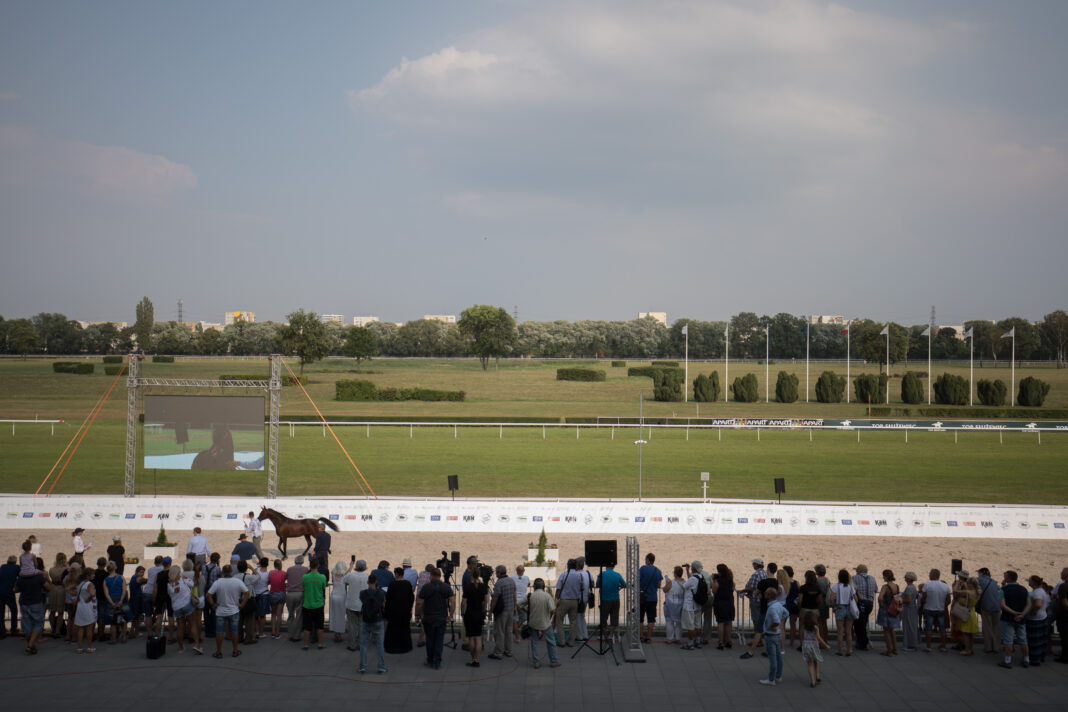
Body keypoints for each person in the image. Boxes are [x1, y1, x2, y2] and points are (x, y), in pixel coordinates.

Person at [206, 564, 249, 658]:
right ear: (231, 572)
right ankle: (235, 650)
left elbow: (208, 595)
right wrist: (242, 604)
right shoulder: (237, 582)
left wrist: (213, 604)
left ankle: (219, 651)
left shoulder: (218, 582)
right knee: (234, 631)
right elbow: (247, 593)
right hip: (234, 609)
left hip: (221, 610)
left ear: (223, 572)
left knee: (219, 632)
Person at [416, 567, 454, 670]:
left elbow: (419, 603)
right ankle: (437, 662)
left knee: (430, 639)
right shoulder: (446, 587)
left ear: (431, 576)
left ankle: (430, 660)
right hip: (442, 617)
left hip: (428, 617)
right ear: (440, 576)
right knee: (439, 640)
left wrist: (417, 615)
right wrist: (450, 615)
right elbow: (453, 601)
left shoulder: (426, 587)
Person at [523, 578, 560, 668]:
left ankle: (536, 662)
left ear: (534, 587)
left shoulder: (530, 596)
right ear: (543, 587)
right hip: (545, 622)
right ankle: (553, 661)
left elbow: (519, 604)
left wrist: (527, 611)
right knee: (551, 642)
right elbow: (553, 610)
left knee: (534, 642)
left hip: (533, 622)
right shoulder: (547, 596)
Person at [15, 558, 49, 654]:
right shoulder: (38, 576)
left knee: (27, 625)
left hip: (24, 602)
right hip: (35, 602)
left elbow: (15, 589)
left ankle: (31, 645)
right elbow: (48, 587)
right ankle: (30, 645)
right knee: (38, 623)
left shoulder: (21, 577)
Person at [998, 570, 1030, 668]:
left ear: (1008, 578)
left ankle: (1007, 660)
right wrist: (1022, 615)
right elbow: (1029, 604)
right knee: (1023, 639)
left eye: (1005, 577)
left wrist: (1014, 613)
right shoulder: (1024, 589)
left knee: (1008, 640)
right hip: (1021, 619)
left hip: (1007, 618)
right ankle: (1026, 659)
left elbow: (1003, 605)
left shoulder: (1003, 590)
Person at [740, 557, 769, 659]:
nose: (753, 565)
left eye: (753, 564)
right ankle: (759, 640)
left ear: (756, 565)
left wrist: (741, 591)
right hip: (762, 601)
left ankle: (758, 640)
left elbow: (751, 588)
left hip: (756, 601)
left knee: (756, 621)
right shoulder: (764, 573)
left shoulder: (756, 574)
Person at [554, 558, 586, 647]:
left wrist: (556, 599)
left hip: (564, 600)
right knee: (573, 621)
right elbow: (582, 588)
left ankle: (561, 641)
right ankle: (571, 642)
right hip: (575, 601)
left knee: (559, 620)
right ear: (576, 566)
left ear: (567, 566)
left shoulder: (564, 575)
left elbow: (558, 589)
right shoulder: (579, 575)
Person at [359, 573, 387, 673]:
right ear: (376, 582)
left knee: (364, 645)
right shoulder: (380, 593)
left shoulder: (362, 593)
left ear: (367, 582)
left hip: (366, 620)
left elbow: (363, 602)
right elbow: (384, 605)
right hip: (377, 620)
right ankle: (381, 666)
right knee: (380, 645)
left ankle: (362, 666)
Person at [461, 566, 489, 666]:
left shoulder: (468, 586)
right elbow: (486, 600)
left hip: (470, 613)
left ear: (471, 575)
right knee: (478, 637)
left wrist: (462, 612)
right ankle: (477, 659)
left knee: (471, 638)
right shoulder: (483, 586)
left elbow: (464, 602)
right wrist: (484, 610)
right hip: (479, 613)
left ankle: (473, 658)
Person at [488, 564, 516, 659]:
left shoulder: (499, 583)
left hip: (502, 611)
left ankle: (498, 653)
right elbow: (514, 595)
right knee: (508, 631)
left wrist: (490, 611)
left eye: (496, 572)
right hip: (510, 609)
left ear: (499, 573)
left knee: (499, 632)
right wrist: (515, 607)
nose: (496, 574)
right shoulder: (511, 581)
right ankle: (508, 651)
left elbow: (495, 599)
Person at [167, 566, 198, 654]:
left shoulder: (169, 585)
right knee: (193, 624)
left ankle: (180, 647)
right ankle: (197, 644)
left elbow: (170, 595)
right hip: (187, 604)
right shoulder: (183, 580)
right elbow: (192, 584)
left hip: (177, 607)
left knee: (180, 627)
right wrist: (186, 578)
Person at [759, 586, 786, 686]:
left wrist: (770, 628)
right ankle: (778, 676)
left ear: (769, 596)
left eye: (766, 593)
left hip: (771, 635)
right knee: (778, 657)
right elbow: (786, 613)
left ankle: (771, 679)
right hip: (777, 634)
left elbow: (776, 620)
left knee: (773, 658)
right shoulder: (778, 605)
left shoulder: (771, 608)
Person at [384, 566, 414, 654]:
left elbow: (388, 598)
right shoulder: (407, 584)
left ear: (396, 574)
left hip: (394, 611)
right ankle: (405, 647)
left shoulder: (392, 584)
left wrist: (387, 610)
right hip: (404, 610)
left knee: (393, 630)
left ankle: (392, 647)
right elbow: (411, 598)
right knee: (404, 629)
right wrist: (409, 608)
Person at [920, 568, 951, 653]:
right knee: (942, 629)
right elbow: (949, 600)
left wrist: (924, 603)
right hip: (940, 609)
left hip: (929, 609)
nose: (929, 575)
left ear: (933, 575)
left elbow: (923, 598)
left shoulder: (927, 585)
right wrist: (943, 606)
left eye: (930, 574)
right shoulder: (945, 586)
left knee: (928, 629)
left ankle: (929, 647)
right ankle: (943, 646)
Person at [830, 568, 858, 656]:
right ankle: (849, 650)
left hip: (840, 607)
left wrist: (833, 605)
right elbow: (856, 599)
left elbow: (831, 598)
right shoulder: (850, 587)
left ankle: (840, 650)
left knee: (840, 631)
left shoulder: (836, 586)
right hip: (849, 608)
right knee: (848, 631)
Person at [596, 560, 626, 643]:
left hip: (605, 599)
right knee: (614, 618)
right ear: (613, 567)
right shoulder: (617, 575)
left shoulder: (601, 574)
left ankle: (604, 635)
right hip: (615, 599)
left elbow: (597, 584)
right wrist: (618, 588)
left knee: (604, 618)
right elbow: (624, 584)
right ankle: (611, 635)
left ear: (606, 566)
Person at [950, 571, 978, 656]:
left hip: (965, 612)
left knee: (965, 633)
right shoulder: (976, 591)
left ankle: (967, 649)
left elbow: (955, 592)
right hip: (971, 612)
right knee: (970, 634)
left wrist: (956, 585)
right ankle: (970, 648)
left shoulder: (968, 591)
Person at [301, 557, 327, 650]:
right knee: (319, 626)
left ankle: (305, 644)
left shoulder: (305, 577)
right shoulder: (322, 577)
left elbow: (304, 586)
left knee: (307, 627)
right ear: (318, 566)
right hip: (318, 604)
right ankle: (320, 644)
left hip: (307, 604)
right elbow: (324, 587)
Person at [343, 559, 369, 651]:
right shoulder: (367, 576)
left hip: (352, 603)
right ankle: (361, 645)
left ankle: (352, 645)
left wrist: (350, 567)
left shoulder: (351, 575)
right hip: (363, 604)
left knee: (352, 625)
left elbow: (343, 580)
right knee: (362, 626)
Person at [638, 553, 664, 644]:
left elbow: (637, 581)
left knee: (640, 618)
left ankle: (640, 637)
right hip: (653, 598)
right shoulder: (658, 571)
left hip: (642, 598)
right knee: (651, 619)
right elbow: (659, 585)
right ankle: (648, 638)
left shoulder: (643, 569)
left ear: (648, 560)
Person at [800, 609, 829, 687]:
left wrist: (802, 644)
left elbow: (802, 637)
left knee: (809, 664)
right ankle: (817, 676)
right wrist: (825, 645)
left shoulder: (803, 627)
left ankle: (812, 681)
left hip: (806, 646)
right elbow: (819, 638)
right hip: (814, 645)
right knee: (816, 661)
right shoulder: (816, 627)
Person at [852, 563, 877, 651]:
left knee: (859, 624)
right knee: (864, 622)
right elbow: (876, 589)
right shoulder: (872, 578)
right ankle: (864, 642)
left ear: (858, 571)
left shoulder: (854, 578)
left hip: (860, 602)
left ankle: (862, 643)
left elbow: (852, 589)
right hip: (870, 603)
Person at [976, 567, 1001, 654]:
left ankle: (988, 647)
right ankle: (996, 647)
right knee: (996, 628)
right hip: (997, 607)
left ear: (981, 573)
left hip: (986, 606)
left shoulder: (979, 580)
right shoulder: (993, 581)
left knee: (987, 628)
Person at [1026, 575, 1050, 665]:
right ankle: (1040, 658)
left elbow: (1038, 604)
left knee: (1034, 640)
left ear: (1034, 582)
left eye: (1030, 580)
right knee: (1040, 640)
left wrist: (1033, 611)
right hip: (1041, 617)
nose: (1028, 581)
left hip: (1035, 619)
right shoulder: (1041, 591)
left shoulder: (1037, 592)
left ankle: (1035, 660)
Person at [103, 561, 129, 645]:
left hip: (111, 600)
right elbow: (124, 590)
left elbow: (106, 594)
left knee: (113, 622)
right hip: (121, 599)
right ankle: (124, 637)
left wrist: (112, 603)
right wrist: (121, 600)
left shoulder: (106, 580)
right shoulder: (121, 578)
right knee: (124, 619)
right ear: (115, 568)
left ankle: (113, 639)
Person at [876, 569, 901, 656]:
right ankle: (895, 649)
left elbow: (880, 598)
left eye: (884, 576)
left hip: (886, 610)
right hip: (893, 609)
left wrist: (881, 605)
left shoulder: (885, 587)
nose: (883, 577)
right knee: (892, 630)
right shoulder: (896, 586)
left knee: (886, 631)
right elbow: (898, 599)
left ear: (886, 577)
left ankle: (889, 650)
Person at [73, 568, 98, 653]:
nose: (94, 575)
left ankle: (79, 647)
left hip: (80, 606)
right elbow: (92, 593)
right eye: (93, 574)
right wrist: (89, 598)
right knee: (89, 628)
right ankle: (89, 647)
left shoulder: (80, 584)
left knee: (80, 628)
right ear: (88, 575)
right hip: (88, 607)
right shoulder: (89, 584)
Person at [797, 570, 822, 652]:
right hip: (814, 609)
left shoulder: (803, 588)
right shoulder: (817, 588)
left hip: (805, 609)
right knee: (815, 627)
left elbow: (800, 600)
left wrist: (800, 607)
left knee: (801, 627)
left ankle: (802, 645)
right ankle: (814, 644)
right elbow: (819, 600)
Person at [284, 555, 308, 641]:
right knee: (299, 615)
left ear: (295, 561)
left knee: (290, 614)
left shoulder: (289, 569)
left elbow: (286, 578)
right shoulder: (306, 569)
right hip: (300, 593)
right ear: (302, 562)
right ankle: (297, 635)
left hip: (290, 593)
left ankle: (290, 634)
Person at [712, 563, 735, 649]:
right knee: (728, 622)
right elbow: (732, 589)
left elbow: (714, 591)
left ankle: (721, 642)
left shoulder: (717, 582)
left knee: (721, 623)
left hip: (720, 603)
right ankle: (728, 641)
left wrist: (713, 580)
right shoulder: (731, 581)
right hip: (729, 603)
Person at [681, 562, 702, 650]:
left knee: (690, 625)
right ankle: (698, 641)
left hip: (690, 605)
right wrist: (687, 571)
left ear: (693, 568)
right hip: (698, 604)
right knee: (698, 624)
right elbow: (692, 580)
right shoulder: (701, 577)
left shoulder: (693, 578)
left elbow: (684, 586)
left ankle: (690, 643)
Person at [47, 552, 68, 638]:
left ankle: (53, 629)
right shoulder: (65, 569)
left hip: (53, 589)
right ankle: (57, 630)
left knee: (52, 611)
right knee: (60, 612)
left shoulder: (51, 569)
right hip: (61, 589)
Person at [329, 560, 351, 643]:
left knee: (334, 615)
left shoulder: (333, 573)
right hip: (341, 597)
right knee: (341, 616)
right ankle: (339, 635)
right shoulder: (345, 575)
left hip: (333, 596)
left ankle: (336, 634)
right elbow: (347, 573)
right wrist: (351, 567)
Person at [664, 566, 685, 644]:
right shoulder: (685, 582)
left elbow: (665, 590)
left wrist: (667, 582)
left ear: (675, 573)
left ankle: (670, 638)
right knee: (679, 622)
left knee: (669, 621)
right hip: (681, 604)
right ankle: (678, 638)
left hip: (670, 604)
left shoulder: (671, 582)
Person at [268, 559, 287, 639]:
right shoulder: (284, 573)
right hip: (281, 593)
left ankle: (273, 632)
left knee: (273, 614)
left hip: (273, 593)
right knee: (279, 614)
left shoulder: (271, 572)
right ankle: (277, 633)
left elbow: (269, 582)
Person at [512, 564, 530, 644]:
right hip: (523, 601)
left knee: (515, 620)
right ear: (524, 571)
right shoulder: (526, 578)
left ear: (516, 571)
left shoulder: (512, 578)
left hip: (514, 601)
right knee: (523, 618)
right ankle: (515, 632)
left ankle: (516, 636)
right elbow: (528, 584)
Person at [0, 555, 18, 638]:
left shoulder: (2, 567)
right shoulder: (16, 568)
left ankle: (2, 631)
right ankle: (13, 629)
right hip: (10, 592)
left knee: (1, 613)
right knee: (14, 611)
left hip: (1, 592)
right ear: (15, 562)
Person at [783, 565, 800, 649]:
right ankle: (791, 642)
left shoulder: (784, 583)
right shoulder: (796, 583)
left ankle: (782, 641)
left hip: (786, 605)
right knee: (793, 624)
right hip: (794, 605)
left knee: (782, 625)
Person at [815, 564, 831, 643]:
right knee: (824, 622)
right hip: (825, 601)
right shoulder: (827, 580)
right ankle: (825, 639)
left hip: (819, 601)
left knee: (818, 622)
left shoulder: (817, 580)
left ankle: (820, 640)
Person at [1056, 568, 1068, 664]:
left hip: (1064, 615)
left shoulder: (1063, 586)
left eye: (1062, 573)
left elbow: (1064, 602)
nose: (1060, 574)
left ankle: (1065, 657)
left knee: (1064, 636)